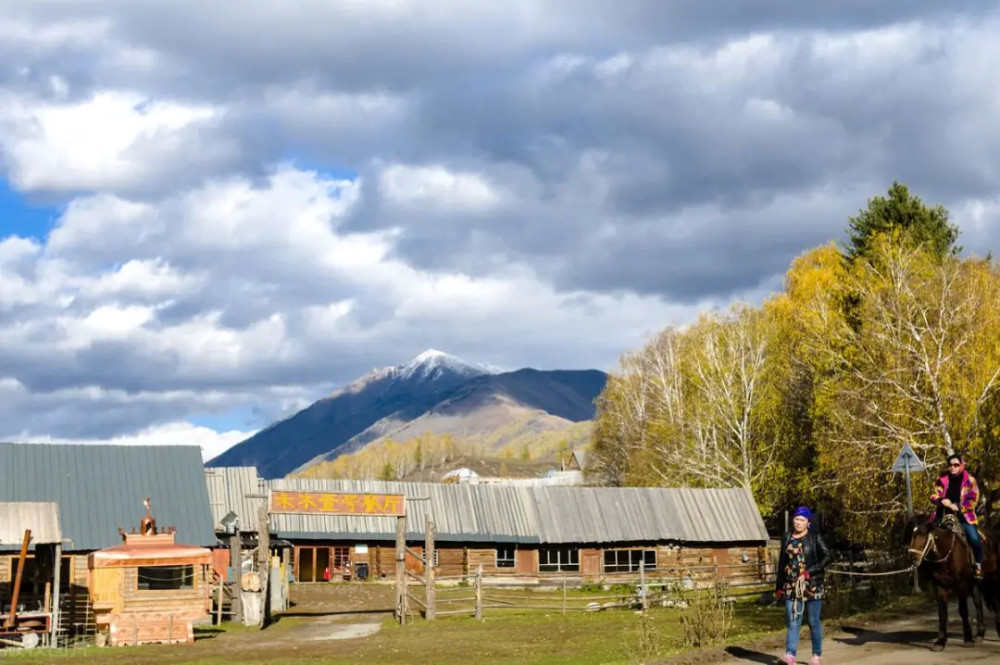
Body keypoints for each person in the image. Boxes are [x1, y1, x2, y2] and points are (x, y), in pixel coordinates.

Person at [775, 506, 831, 665]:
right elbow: (782, 563)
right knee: (793, 621)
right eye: (796, 519)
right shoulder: (786, 537)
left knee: (813, 621)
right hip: (790, 585)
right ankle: (790, 656)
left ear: (808, 522)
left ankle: (816, 655)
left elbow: (828, 557)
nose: (798, 522)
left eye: (802, 520)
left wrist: (810, 572)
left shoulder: (815, 537)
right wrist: (779, 586)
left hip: (812, 584)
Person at [930, 452, 983, 578]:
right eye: (951, 465)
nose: (953, 467)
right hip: (943, 514)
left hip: (964, 516)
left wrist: (959, 506)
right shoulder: (942, 479)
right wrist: (941, 500)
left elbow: (973, 499)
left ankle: (978, 565)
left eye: (956, 465)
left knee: (974, 539)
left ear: (961, 465)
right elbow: (933, 495)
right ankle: (930, 568)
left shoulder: (970, 480)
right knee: (925, 534)